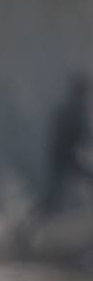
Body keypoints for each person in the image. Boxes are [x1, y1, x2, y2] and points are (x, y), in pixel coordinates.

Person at [38, 73, 93, 217]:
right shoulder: (76, 109)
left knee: (52, 194)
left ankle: (32, 224)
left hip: (62, 156)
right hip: (65, 157)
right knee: (52, 195)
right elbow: (84, 134)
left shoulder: (67, 107)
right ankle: (30, 226)